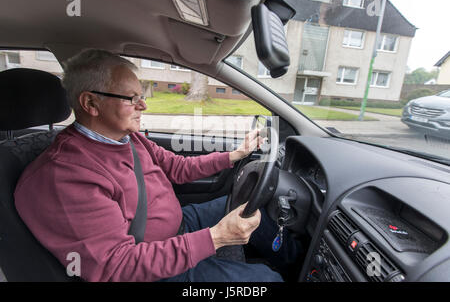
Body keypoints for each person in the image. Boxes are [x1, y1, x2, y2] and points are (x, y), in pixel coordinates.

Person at [14, 49, 300, 282]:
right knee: (265, 282)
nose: (144, 106)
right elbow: (117, 266)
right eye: (132, 98)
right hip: (152, 266)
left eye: (142, 96)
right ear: (91, 102)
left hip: (180, 226)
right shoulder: (65, 175)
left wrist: (234, 155)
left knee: (253, 206)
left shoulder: (128, 138)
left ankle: (301, 264)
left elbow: (177, 168)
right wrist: (215, 238)